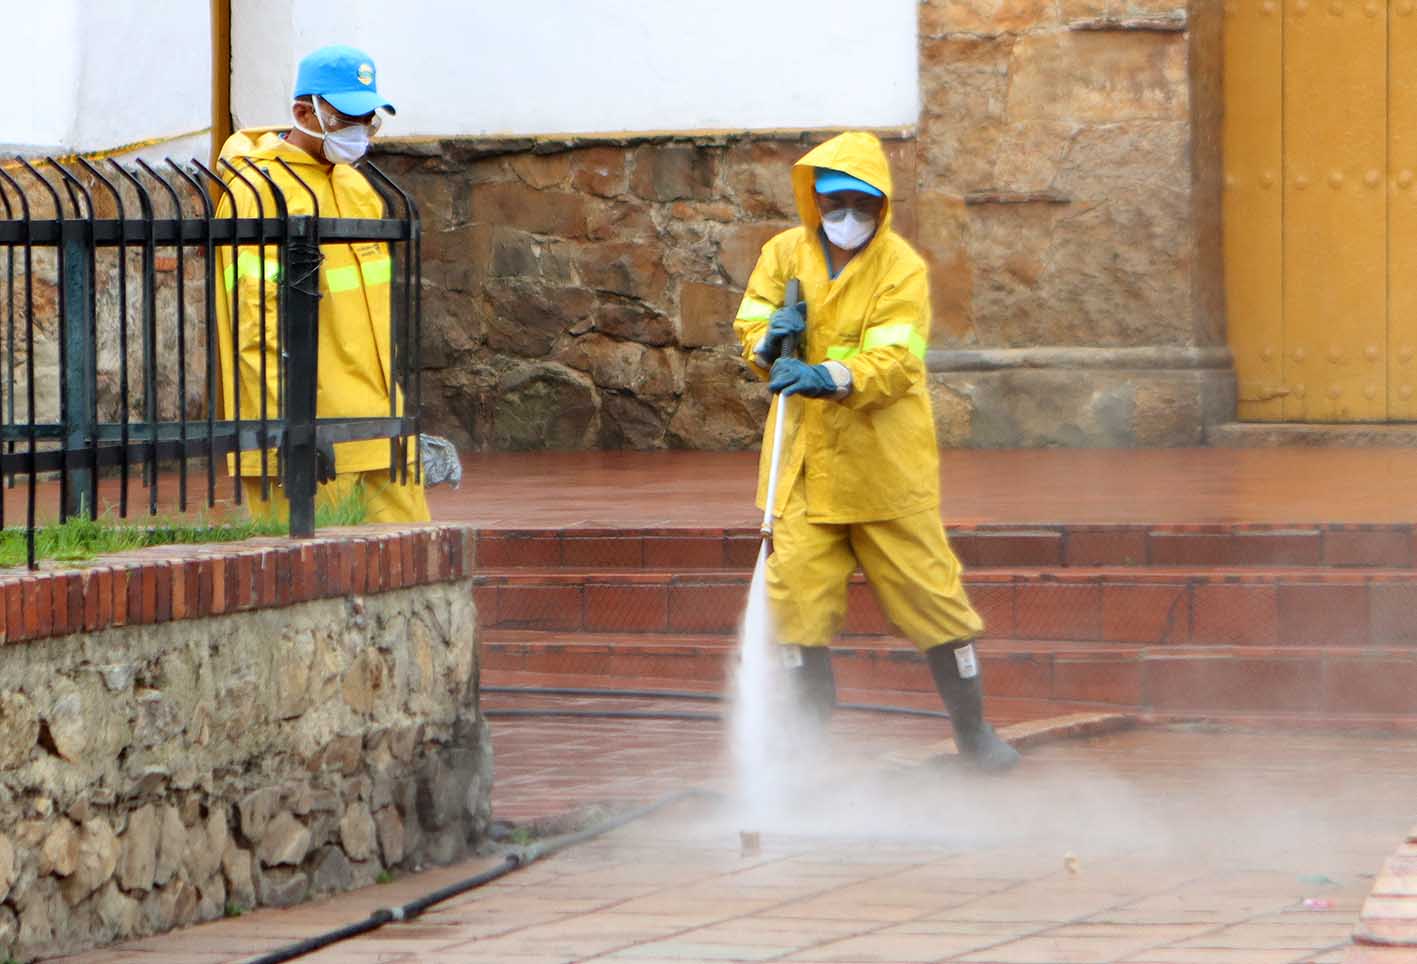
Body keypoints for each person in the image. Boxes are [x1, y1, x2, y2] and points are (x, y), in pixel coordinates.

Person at [733, 130, 1019, 771]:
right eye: (836, 203)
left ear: (881, 207)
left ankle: (975, 738)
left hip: (885, 471)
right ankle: (806, 755)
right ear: (814, 201)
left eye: (863, 205)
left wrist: (827, 376)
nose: (848, 217)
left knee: (934, 599)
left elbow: (894, 361)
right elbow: (750, 324)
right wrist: (767, 343)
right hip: (804, 470)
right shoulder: (783, 255)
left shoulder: (902, 270)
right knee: (794, 605)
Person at [214, 44, 430, 524]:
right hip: (307, 432)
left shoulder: (358, 188)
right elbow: (255, 326)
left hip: (379, 425)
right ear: (302, 111)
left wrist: (395, 408)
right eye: (345, 118)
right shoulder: (259, 191)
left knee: (411, 565)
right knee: (319, 573)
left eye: (368, 119)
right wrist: (282, 432)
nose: (358, 131)